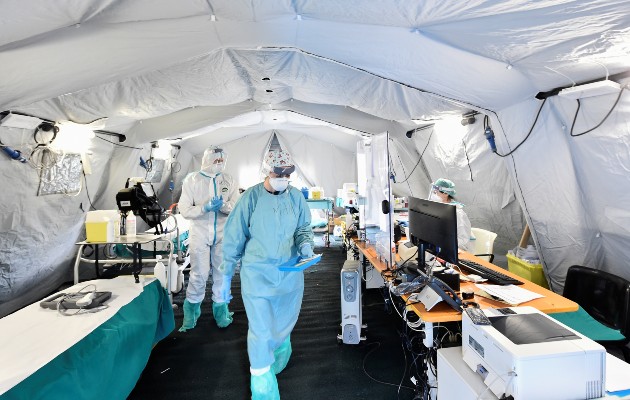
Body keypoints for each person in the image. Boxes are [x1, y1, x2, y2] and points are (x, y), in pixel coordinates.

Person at [218, 149, 314, 400]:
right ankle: (262, 383)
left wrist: (305, 246)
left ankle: (279, 354)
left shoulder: (295, 198)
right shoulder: (250, 198)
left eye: (287, 174)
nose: (283, 178)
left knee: (283, 321)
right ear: (268, 171)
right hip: (257, 275)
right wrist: (225, 277)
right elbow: (233, 238)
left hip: (289, 275)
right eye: (278, 173)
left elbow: (303, 227)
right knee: (261, 330)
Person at [178, 146, 238, 331]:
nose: (219, 164)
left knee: (222, 274)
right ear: (207, 160)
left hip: (222, 233)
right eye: (215, 160)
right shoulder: (192, 180)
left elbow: (236, 205)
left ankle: (221, 310)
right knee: (199, 274)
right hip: (200, 233)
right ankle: (191, 312)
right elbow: (185, 209)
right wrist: (204, 208)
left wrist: (224, 207)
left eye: (221, 161)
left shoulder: (228, 179)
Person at [428, 178, 474, 253]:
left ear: (446, 194)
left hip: (458, 251)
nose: (434, 194)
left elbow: (463, 240)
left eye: (436, 192)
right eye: (433, 191)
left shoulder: (457, 212)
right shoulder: (438, 208)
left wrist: (445, 244)